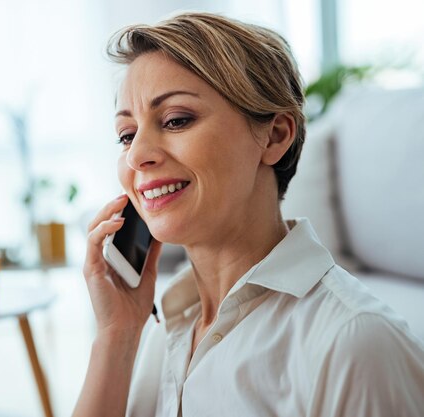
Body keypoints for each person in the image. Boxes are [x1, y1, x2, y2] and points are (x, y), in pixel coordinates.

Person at [73, 12, 424, 417]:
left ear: (274, 135)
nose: (136, 155)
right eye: (127, 135)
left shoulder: (354, 342)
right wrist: (116, 334)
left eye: (176, 120)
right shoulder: (166, 331)